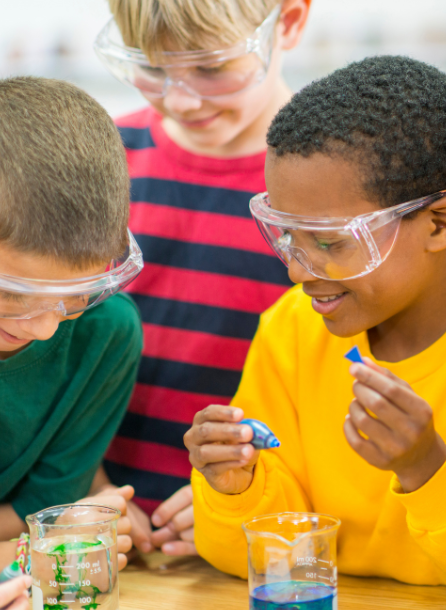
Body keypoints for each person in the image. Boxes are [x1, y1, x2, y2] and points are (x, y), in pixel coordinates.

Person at [187, 56, 446, 595]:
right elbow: (263, 558)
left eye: (330, 242)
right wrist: (234, 486)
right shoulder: (291, 328)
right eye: (287, 236)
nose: (297, 270)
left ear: (440, 224)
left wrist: (425, 467)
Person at [91, 0, 312, 557]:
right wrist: (91, 488)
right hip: (103, 527)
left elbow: (339, 384)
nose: (181, 100)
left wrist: (241, 499)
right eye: (152, 68)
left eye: (212, 68)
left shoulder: (328, 189)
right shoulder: (101, 160)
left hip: (260, 531)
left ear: (288, 23)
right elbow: (56, 352)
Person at [0, 77, 141, 580]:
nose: (45, 329)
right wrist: (42, 553)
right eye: (12, 294)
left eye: (76, 295)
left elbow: (46, 505)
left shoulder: (105, 331)